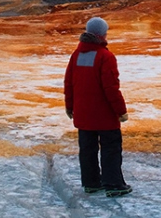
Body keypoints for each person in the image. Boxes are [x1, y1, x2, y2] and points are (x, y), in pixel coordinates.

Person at [64, 17, 132, 197]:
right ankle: (114, 184)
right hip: (104, 116)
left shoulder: (76, 55)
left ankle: (91, 183)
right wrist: (121, 111)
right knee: (110, 148)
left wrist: (69, 107)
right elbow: (111, 88)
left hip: (84, 114)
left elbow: (69, 83)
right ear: (101, 34)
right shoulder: (105, 56)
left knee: (87, 150)